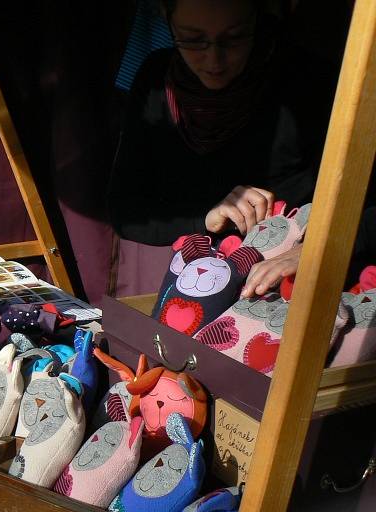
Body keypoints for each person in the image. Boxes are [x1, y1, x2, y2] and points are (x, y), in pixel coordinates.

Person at [107, 0, 334, 295]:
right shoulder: (156, 77)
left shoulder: (309, 82)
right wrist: (205, 217)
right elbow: (126, 212)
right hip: (186, 285)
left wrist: (316, 250)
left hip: (286, 287)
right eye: (192, 39)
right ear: (167, 19)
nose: (214, 61)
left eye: (234, 38)